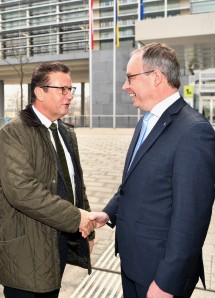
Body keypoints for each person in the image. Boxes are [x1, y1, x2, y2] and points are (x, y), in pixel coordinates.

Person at [90, 43, 215, 298]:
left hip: (160, 275)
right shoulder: (146, 121)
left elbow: (191, 220)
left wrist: (167, 283)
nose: (125, 86)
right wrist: (108, 213)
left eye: (129, 78)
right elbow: (137, 182)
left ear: (155, 77)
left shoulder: (194, 132)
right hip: (132, 262)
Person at [0, 62, 95, 298]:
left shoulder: (65, 132)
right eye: (62, 89)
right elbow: (22, 191)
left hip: (58, 242)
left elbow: (76, 184)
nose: (70, 95)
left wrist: (88, 229)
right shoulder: (13, 133)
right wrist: (76, 218)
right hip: (25, 249)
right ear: (39, 92)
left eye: (71, 89)